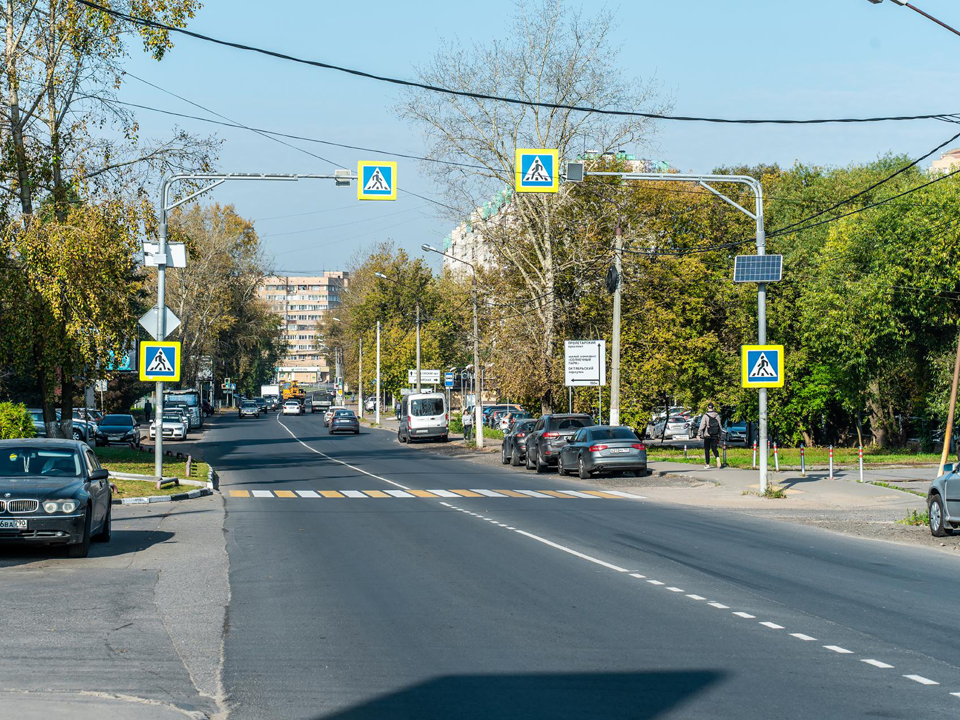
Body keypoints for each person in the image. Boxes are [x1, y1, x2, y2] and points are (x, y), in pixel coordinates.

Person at [698, 403, 724, 469]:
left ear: (707, 407)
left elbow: (702, 425)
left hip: (707, 435)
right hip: (715, 435)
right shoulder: (717, 415)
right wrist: (720, 435)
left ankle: (707, 464)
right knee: (714, 448)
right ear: (713, 407)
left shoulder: (705, 416)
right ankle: (717, 458)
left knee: (707, 449)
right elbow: (720, 426)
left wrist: (699, 434)